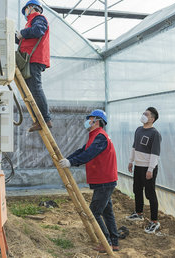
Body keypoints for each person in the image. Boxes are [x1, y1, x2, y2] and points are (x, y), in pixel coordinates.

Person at [59, 110, 120, 252]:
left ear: (97, 121)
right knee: (107, 212)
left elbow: (88, 154)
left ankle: (106, 242)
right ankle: (114, 242)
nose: (87, 121)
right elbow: (82, 150)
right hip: (104, 180)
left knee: (94, 212)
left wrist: (71, 162)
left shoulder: (100, 137)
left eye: (90, 118)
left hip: (105, 181)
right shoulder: (95, 136)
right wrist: (68, 159)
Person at [16, 0, 52, 132]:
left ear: (32, 8)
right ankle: (39, 119)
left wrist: (23, 33)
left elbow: (38, 31)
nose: (25, 13)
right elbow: (26, 38)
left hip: (34, 59)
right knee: (31, 91)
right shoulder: (30, 23)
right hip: (30, 59)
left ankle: (46, 119)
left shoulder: (39, 18)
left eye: (26, 9)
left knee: (36, 89)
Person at [127, 106, 162, 234]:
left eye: (146, 114)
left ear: (152, 119)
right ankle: (139, 213)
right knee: (137, 190)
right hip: (138, 166)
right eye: (143, 113)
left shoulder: (155, 134)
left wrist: (150, 169)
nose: (143, 115)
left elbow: (155, 154)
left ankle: (154, 221)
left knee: (150, 193)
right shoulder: (138, 130)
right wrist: (131, 161)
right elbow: (134, 147)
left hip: (148, 168)